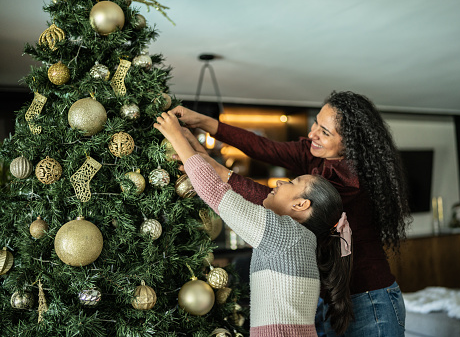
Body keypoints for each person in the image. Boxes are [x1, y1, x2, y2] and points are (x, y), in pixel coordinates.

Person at [170, 90, 412, 337]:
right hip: (327, 299)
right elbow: (265, 148)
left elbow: (275, 201)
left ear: (351, 143)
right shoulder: (317, 154)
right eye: (316, 122)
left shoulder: (348, 182)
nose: (312, 134)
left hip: (367, 299)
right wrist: (202, 122)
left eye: (325, 132)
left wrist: (212, 167)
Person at [154, 111, 354, 336]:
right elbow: (227, 186)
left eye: (291, 182)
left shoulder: (287, 235)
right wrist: (191, 147)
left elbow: (216, 192)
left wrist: (176, 137)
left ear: (300, 205)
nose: (279, 182)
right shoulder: (301, 240)